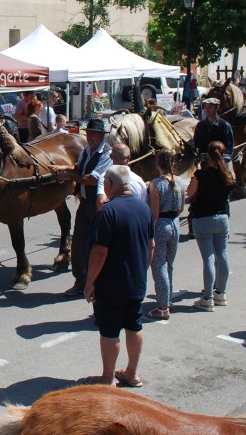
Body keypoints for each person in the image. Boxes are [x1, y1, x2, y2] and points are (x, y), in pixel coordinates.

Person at [81, 166, 154, 387]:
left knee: (110, 330)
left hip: (112, 283)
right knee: (134, 325)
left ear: (110, 185)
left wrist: (89, 283)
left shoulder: (107, 212)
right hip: (136, 281)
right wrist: (142, 270)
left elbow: (99, 252)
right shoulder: (144, 208)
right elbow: (151, 245)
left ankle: (107, 377)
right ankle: (132, 373)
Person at [52, 118, 112, 296]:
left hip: (98, 205)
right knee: (78, 244)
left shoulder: (106, 155)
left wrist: (68, 177)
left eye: (93, 133)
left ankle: (97, 282)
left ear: (101, 135)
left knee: (96, 246)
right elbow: (78, 167)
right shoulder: (86, 150)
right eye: (88, 133)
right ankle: (80, 281)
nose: (89, 136)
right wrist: (63, 167)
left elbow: (92, 180)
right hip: (85, 204)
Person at [186, 141, 235, 311]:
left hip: (203, 218)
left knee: (208, 258)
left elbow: (190, 193)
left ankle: (208, 297)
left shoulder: (201, 174)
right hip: (222, 218)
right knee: (222, 255)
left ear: (207, 155)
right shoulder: (227, 175)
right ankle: (221, 292)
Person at [146, 149, 185, 320]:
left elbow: (154, 213)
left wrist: (150, 234)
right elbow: (182, 208)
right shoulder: (180, 182)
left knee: (158, 265)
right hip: (175, 223)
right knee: (169, 263)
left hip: (161, 224)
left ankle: (163, 307)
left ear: (158, 164)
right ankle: (167, 300)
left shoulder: (156, 184)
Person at [96, 143, 148, 208]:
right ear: (128, 158)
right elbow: (144, 204)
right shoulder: (139, 181)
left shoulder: (105, 177)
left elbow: (101, 202)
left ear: (110, 156)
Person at [192, 98, 234, 165]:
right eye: (205, 107)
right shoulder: (200, 125)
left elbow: (229, 147)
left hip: (220, 163)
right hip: (204, 163)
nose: (207, 109)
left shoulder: (224, 125)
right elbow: (195, 142)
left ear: (217, 108)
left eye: (210, 107)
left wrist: (223, 161)